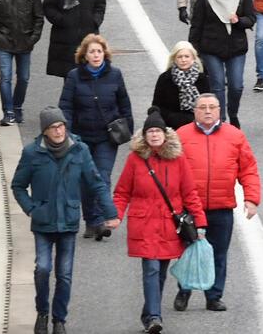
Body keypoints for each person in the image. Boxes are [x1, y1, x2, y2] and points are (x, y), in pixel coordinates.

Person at [12, 107, 119, 334]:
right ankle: (42, 312)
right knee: (42, 268)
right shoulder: (32, 153)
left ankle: (59, 319)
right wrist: (31, 209)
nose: (59, 131)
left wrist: (110, 212)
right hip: (43, 221)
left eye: (61, 126)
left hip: (68, 221)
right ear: (45, 131)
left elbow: (96, 183)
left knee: (65, 273)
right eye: (53, 127)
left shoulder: (79, 150)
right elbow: (18, 185)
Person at [112, 108, 203, 334]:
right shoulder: (135, 160)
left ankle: (149, 315)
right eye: (150, 131)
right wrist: (116, 214)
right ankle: (154, 317)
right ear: (145, 135)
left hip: (169, 226)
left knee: (160, 272)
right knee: (151, 268)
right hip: (144, 224)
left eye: (157, 131)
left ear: (165, 134)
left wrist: (200, 222)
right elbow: (122, 192)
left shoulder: (178, 160)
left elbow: (189, 192)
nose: (154, 135)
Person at [176, 92, 260, 312]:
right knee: (186, 250)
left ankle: (213, 295)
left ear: (219, 110)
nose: (207, 111)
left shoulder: (234, 136)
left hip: (221, 206)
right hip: (190, 208)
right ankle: (184, 290)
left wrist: (251, 199)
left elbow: (248, 169)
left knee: (218, 253)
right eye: (202, 107)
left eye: (212, 107)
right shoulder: (181, 135)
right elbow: (171, 171)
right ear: (194, 111)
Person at [60, 33, 132, 238]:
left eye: (99, 51)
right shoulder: (74, 76)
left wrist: (128, 128)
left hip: (106, 137)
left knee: (102, 175)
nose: (96, 55)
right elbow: (66, 105)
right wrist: (68, 133)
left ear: (104, 53)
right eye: (92, 51)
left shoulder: (115, 74)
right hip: (82, 136)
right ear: (85, 55)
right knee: (85, 179)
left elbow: (124, 103)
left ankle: (100, 219)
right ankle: (91, 220)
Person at [187, 0, 254, 127]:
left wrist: (238, 21)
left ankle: (233, 113)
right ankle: (221, 120)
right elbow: (197, 23)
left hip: (236, 47)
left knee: (236, 85)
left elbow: (252, 18)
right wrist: (193, 49)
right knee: (217, 85)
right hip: (211, 47)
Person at [42, 0, 105, 79]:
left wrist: (94, 21)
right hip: (66, 41)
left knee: (89, 78)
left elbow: (100, 4)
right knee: (70, 79)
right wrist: (61, 20)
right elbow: (48, 7)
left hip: (87, 40)